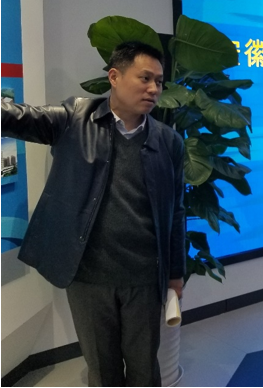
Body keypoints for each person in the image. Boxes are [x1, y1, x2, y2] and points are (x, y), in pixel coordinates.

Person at [1, 41, 186, 387]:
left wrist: (176, 272)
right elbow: (15, 117)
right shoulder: (75, 119)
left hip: (144, 278)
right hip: (88, 276)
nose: (154, 89)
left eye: (159, 82)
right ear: (114, 77)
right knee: (102, 369)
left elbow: (176, 212)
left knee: (145, 369)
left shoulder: (168, 141)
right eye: (145, 78)